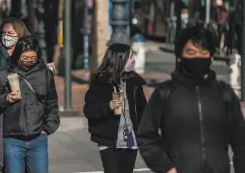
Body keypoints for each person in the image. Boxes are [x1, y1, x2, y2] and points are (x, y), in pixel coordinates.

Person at [137, 25, 245, 173]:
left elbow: (240, 142)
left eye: (203, 52)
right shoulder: (165, 93)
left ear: (211, 56)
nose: (197, 57)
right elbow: (146, 136)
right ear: (180, 56)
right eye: (191, 52)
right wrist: (166, 167)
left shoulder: (224, 93)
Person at [0, 37, 59, 173]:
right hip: (12, 139)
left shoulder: (45, 74)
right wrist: (5, 98)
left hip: (38, 137)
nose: (29, 62)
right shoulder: (2, 73)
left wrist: (47, 128)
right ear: (17, 55)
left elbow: (52, 103)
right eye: (25, 58)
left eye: (33, 58)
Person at [83, 43, 147, 173]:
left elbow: (143, 110)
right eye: (130, 57)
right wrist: (109, 106)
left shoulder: (134, 82)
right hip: (109, 139)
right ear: (120, 60)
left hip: (130, 137)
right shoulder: (101, 82)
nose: (133, 60)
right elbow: (89, 109)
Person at [0, 17, 31, 127]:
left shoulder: (29, 54)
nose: (6, 36)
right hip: (1, 111)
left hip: (26, 111)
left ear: (20, 34)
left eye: (10, 33)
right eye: (4, 33)